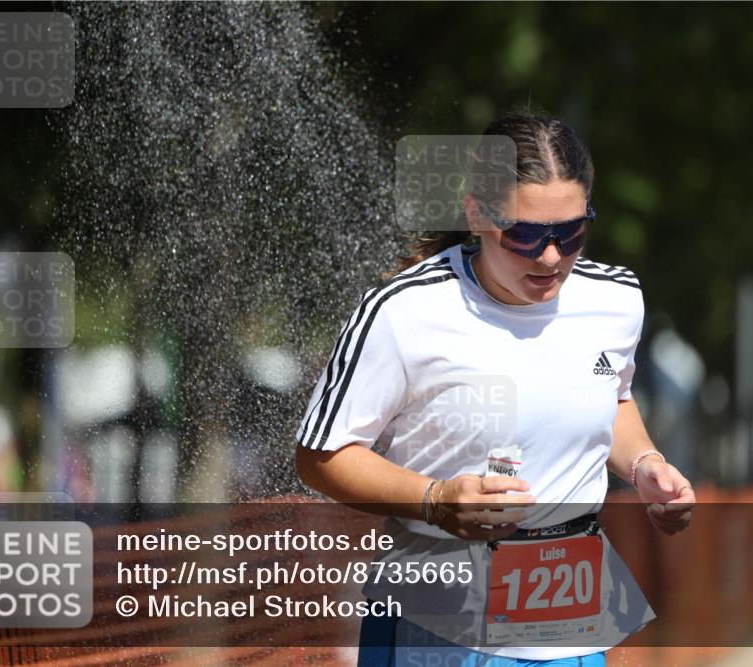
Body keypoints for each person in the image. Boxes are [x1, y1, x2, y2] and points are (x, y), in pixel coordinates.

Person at [295, 111, 695, 666]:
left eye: (571, 231)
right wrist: (434, 502)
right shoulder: (403, 310)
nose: (551, 256)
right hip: (437, 629)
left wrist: (645, 463)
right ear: (477, 214)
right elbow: (320, 455)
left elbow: (613, 396)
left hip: (573, 626)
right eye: (526, 234)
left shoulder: (617, 300)